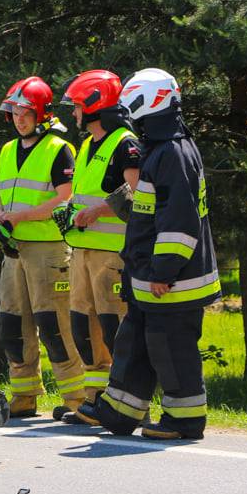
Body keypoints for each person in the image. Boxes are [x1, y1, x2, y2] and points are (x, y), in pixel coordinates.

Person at [75, 68, 220, 439]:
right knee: (135, 342)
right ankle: (120, 412)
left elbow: (178, 221)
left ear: (147, 103)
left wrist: (163, 272)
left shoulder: (172, 152)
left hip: (173, 281)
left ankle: (185, 420)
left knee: (170, 348)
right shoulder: (160, 147)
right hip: (148, 274)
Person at [0, 76, 86, 418]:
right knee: (13, 325)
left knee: (54, 323)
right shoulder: (7, 150)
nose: (19, 119)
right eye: (15, 113)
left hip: (48, 250)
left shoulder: (59, 149)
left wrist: (20, 217)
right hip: (14, 250)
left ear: (42, 113)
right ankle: (24, 395)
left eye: (26, 113)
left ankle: (77, 397)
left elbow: (65, 198)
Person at [56, 70, 142, 422]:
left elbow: (136, 192)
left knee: (114, 327)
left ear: (95, 105)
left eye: (77, 106)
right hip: (82, 251)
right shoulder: (88, 145)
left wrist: (96, 212)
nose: (74, 113)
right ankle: (95, 401)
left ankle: (128, 402)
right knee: (84, 326)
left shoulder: (125, 143)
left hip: (112, 254)